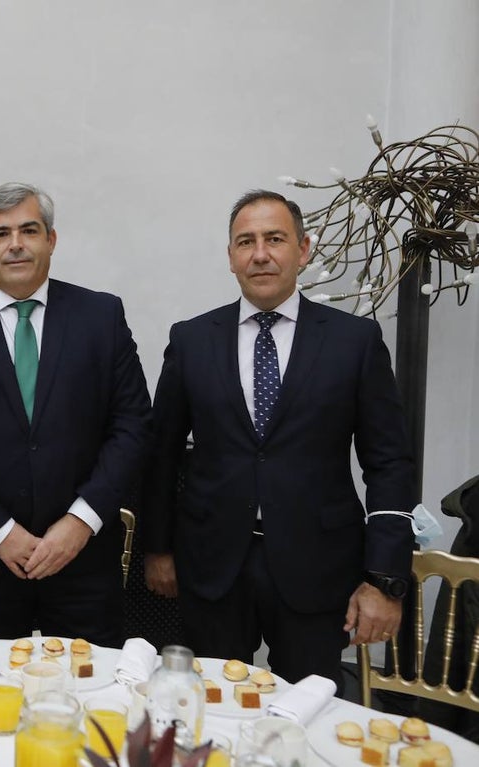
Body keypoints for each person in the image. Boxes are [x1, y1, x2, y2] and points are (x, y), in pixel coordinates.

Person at [142, 189, 416, 687]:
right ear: (230, 258)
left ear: (303, 250)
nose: (260, 253)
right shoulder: (191, 340)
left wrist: (384, 578)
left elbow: (389, 462)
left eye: (275, 239)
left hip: (319, 565)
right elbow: (160, 453)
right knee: (215, 706)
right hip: (212, 565)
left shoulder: (354, 342)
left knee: (310, 706)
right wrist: (157, 549)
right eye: (245, 242)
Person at [0, 182, 152, 644]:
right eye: (1, 233)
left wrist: (80, 522)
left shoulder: (100, 317)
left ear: (51, 239)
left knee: (90, 697)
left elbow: (132, 426)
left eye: (29, 230)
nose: (16, 244)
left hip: (82, 560)